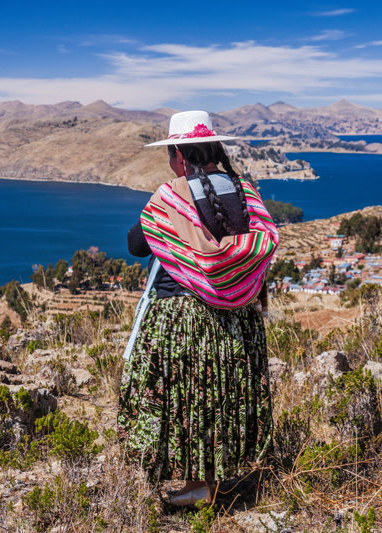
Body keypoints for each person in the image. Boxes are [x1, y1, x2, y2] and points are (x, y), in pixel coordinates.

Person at [118, 110, 277, 507]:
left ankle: (191, 486)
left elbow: (136, 245)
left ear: (178, 155)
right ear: (214, 149)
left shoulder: (170, 197)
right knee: (217, 395)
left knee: (178, 397)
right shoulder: (245, 191)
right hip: (238, 318)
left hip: (184, 318)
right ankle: (212, 479)